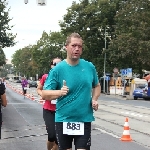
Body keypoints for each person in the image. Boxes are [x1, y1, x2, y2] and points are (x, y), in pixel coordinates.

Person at [42, 33, 101, 150]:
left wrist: (94, 99)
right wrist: (59, 92)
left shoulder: (89, 67)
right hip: (64, 119)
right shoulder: (58, 69)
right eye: (74, 45)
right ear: (66, 47)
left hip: (84, 119)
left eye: (80, 46)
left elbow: (97, 86)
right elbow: (45, 94)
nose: (77, 49)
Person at [37, 58, 61, 150]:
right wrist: (43, 94)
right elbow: (39, 89)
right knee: (51, 135)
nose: (57, 65)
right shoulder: (46, 76)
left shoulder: (65, 77)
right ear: (51, 65)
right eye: (54, 63)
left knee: (58, 139)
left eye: (59, 63)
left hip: (61, 110)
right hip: (49, 110)